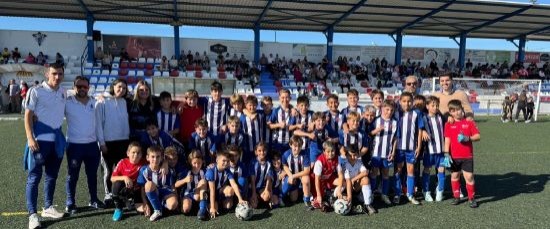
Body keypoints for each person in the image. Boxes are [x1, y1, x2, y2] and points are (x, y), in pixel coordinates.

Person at [23, 62, 67, 229]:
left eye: (60, 74)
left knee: (52, 175)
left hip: (56, 141)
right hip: (39, 140)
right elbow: (28, 115)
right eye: (54, 73)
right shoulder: (36, 91)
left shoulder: (63, 92)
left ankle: (48, 207)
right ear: (47, 74)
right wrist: (30, 137)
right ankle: (32, 215)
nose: (57, 77)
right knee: (34, 177)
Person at [64, 76, 104, 215]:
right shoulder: (67, 102)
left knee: (92, 175)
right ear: (74, 87)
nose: (82, 89)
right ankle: (70, 202)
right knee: (72, 175)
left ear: (89, 88)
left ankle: (93, 199)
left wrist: (101, 142)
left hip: (92, 145)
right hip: (74, 146)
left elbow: (98, 124)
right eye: (79, 86)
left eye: (85, 87)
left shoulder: (94, 101)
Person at [96, 79, 130, 206]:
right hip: (108, 142)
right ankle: (108, 194)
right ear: (113, 86)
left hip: (123, 141)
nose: (121, 90)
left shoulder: (125, 101)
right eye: (119, 87)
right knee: (108, 170)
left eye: (124, 88)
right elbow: (98, 123)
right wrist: (102, 142)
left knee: (121, 169)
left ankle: (121, 192)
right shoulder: (102, 101)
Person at [444, 100, 480, 208]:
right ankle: (456, 197)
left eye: (458, 110)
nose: (457, 112)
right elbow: (447, 139)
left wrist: (468, 138)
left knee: (469, 177)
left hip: (467, 156)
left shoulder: (469, 123)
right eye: (453, 111)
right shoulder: (449, 124)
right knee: (455, 176)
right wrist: (446, 153)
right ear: (450, 112)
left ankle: (471, 198)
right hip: (454, 156)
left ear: (462, 109)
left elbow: (478, 136)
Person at [393, 92, 424, 205]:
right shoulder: (396, 113)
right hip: (399, 148)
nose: (407, 103)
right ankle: (397, 193)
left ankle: (410, 194)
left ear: (413, 102)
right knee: (398, 170)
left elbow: (420, 130)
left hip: (411, 148)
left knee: (411, 170)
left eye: (409, 101)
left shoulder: (417, 113)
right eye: (404, 101)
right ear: (400, 102)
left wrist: (419, 146)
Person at [137, 146, 178, 221]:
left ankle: (159, 204)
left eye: (158, 157)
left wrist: (176, 199)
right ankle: (157, 210)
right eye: (152, 157)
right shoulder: (144, 170)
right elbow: (142, 189)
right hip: (153, 192)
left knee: (173, 205)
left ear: (161, 158)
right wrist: (145, 203)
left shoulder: (167, 169)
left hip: (165, 192)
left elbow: (172, 186)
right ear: (147, 157)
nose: (155, 159)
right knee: (149, 184)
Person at [369, 100, 397, 205]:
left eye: (391, 110)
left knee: (385, 174)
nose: (389, 112)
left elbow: (395, 139)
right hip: (376, 154)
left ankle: (384, 194)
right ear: (381, 109)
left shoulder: (394, 122)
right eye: (387, 109)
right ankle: (370, 193)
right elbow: (369, 133)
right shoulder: (375, 120)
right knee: (374, 173)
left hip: (387, 154)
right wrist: (376, 131)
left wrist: (393, 152)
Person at [110, 142, 147, 221]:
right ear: (128, 153)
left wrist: (164, 163)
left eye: (138, 153)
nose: (136, 155)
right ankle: (119, 208)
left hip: (138, 191)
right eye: (133, 152)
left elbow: (158, 161)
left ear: (141, 154)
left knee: (143, 211)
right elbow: (112, 178)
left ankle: (130, 203)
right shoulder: (123, 162)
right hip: (126, 189)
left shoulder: (144, 162)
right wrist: (125, 177)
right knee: (116, 184)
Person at [206, 151, 248, 219]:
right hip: (210, 194)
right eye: (223, 160)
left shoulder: (227, 171)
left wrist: (240, 199)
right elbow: (212, 190)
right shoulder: (211, 171)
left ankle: (221, 202)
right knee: (213, 211)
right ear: (217, 160)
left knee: (228, 203)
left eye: (228, 161)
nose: (226, 163)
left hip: (219, 192)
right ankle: (210, 205)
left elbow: (234, 184)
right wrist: (213, 207)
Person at [421, 96, 446, 202]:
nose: (435, 107)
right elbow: (419, 128)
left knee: (442, 170)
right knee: (427, 170)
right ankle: (426, 191)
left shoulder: (440, 117)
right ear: (427, 106)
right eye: (433, 105)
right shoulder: (424, 118)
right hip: (429, 151)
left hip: (441, 151)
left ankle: (440, 190)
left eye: (437, 105)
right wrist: (422, 131)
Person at [338, 145, 376, 215]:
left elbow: (365, 172)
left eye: (355, 155)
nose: (352, 157)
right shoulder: (345, 164)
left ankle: (367, 204)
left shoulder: (359, 162)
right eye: (350, 155)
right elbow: (348, 181)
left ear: (358, 154)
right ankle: (348, 200)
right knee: (342, 190)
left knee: (366, 179)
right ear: (346, 155)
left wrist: (354, 179)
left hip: (355, 186)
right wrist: (349, 196)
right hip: (346, 188)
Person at [281, 136, 313, 211]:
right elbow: (284, 166)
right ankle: (281, 196)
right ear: (290, 145)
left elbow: (307, 171)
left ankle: (307, 201)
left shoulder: (304, 155)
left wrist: (293, 176)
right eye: (295, 146)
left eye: (299, 146)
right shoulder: (286, 154)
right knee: (293, 199)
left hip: (301, 176)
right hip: (293, 176)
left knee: (306, 179)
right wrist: (290, 175)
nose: (297, 148)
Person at [175, 149, 208, 220]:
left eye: (199, 163)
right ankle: (192, 206)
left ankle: (202, 209)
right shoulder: (186, 172)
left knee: (203, 182)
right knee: (185, 210)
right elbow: (175, 184)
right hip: (188, 194)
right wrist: (185, 180)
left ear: (202, 161)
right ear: (190, 162)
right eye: (194, 163)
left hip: (198, 194)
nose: (197, 165)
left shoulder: (205, 171)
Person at [312, 142, 340, 212]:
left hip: (329, 178)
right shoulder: (319, 161)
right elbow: (317, 179)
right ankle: (324, 201)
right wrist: (318, 195)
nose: (330, 153)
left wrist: (339, 188)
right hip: (319, 181)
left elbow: (341, 174)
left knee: (343, 182)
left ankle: (333, 195)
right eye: (328, 151)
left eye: (332, 151)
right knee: (318, 201)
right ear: (324, 152)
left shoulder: (337, 158)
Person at [249, 142, 274, 209]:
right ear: (256, 152)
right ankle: (254, 197)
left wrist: (266, 190)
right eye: (259, 151)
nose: (262, 153)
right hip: (252, 187)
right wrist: (253, 193)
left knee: (266, 197)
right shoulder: (253, 162)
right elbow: (252, 180)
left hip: (261, 187)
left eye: (264, 150)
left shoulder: (268, 162)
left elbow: (269, 178)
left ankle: (259, 198)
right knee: (254, 206)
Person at [240, 95, 265, 162]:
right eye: (250, 105)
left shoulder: (260, 115)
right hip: (247, 148)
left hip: (258, 148)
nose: (252, 107)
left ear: (257, 105)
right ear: (246, 105)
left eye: (254, 105)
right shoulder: (242, 118)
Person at [268, 89, 293, 153]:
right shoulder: (276, 111)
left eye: (287, 97)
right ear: (279, 98)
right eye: (283, 97)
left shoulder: (293, 111)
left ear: (290, 98)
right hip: (278, 143)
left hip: (290, 143)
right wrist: (279, 125)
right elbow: (269, 125)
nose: (285, 100)